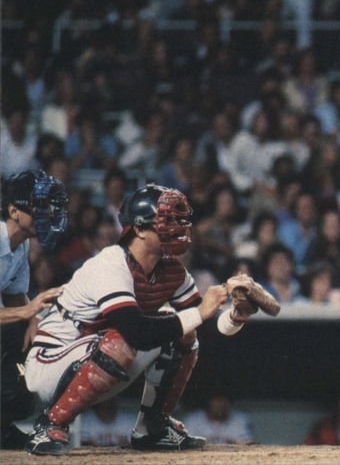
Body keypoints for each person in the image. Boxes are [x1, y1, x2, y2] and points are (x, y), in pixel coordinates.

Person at [22, 183, 249, 456]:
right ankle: (50, 423)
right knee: (126, 338)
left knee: (183, 332)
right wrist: (199, 312)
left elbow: (202, 326)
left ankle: (152, 428)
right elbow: (137, 332)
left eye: (178, 220)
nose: (177, 227)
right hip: (52, 362)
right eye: (166, 221)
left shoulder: (172, 270)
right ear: (139, 229)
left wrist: (236, 315)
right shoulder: (110, 263)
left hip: (97, 358)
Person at [1, 170, 68, 449]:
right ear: (13, 210)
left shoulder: (20, 244)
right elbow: (21, 309)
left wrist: (33, 322)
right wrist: (26, 314)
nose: (46, 212)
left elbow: (16, 295)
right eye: (38, 205)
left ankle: (2, 428)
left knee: (23, 385)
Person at [182, 392, 253, 444]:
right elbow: (185, 444)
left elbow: (247, 444)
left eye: (224, 400)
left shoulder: (240, 419)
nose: (221, 404)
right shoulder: (193, 419)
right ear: (208, 402)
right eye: (217, 400)